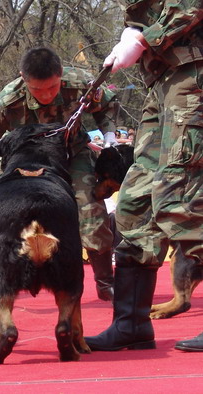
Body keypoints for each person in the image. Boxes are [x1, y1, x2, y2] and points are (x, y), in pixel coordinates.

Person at [0, 47, 119, 302]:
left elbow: (107, 104)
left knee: (88, 204)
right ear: (23, 78)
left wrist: (109, 133)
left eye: (52, 88)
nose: (46, 96)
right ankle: (0, 279)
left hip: (69, 153)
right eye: (37, 90)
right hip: (22, 156)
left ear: (61, 75)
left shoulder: (80, 84)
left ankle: (105, 282)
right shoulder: (9, 98)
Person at [85, 2, 202, 352]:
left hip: (194, 76)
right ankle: (131, 325)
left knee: (182, 198)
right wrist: (133, 32)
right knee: (135, 203)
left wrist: (144, 38)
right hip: (164, 81)